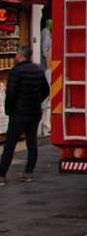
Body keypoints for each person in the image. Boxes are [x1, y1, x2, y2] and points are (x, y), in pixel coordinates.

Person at [0, 46, 50, 186]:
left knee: (10, 144)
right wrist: (36, 101)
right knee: (32, 143)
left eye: (17, 54)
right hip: (34, 112)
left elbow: (10, 93)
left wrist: (9, 109)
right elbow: (46, 90)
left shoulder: (17, 71)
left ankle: (2, 174)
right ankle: (28, 173)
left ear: (21, 55)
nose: (15, 56)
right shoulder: (39, 69)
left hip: (19, 113)